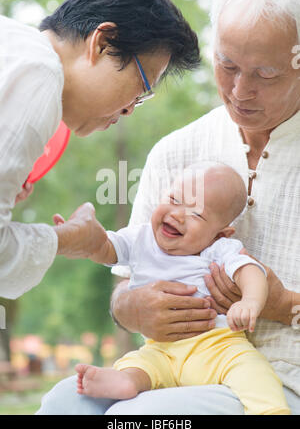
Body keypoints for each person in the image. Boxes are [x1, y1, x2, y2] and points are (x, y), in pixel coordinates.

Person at [37, 0, 300, 415]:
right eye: (228, 65)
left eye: (266, 74)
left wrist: (280, 304)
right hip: (172, 367)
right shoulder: (177, 151)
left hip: (282, 383)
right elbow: (123, 280)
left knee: (139, 419)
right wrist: (132, 308)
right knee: (66, 402)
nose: (239, 91)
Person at [0, 0, 200, 300]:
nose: (130, 110)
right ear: (103, 43)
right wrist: (69, 240)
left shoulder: (15, 49)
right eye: (142, 87)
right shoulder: (39, 75)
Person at [74, 163, 290, 415]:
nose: (177, 214)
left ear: (220, 234)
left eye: (196, 214)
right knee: (139, 363)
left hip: (217, 348)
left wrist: (250, 302)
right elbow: (108, 250)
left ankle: (271, 411)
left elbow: (250, 270)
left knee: (254, 373)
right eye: (174, 199)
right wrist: (88, 241)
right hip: (161, 349)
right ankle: (127, 381)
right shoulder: (141, 238)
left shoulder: (217, 249)